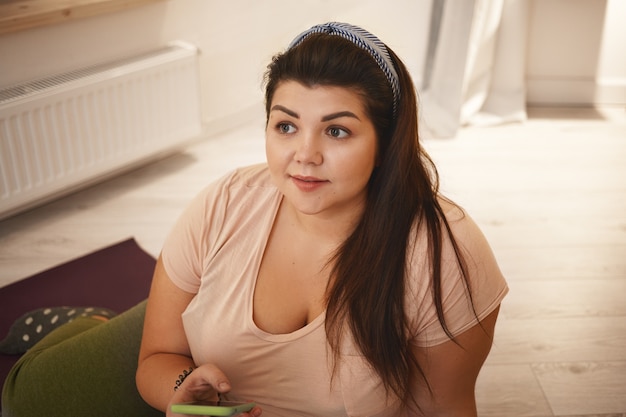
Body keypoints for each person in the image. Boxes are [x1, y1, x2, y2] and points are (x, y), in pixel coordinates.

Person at [2, 22, 507, 417]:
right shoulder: (222, 204)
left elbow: (444, 407)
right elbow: (157, 361)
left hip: (215, 326)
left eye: (337, 132)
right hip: (198, 329)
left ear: (386, 143)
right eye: (286, 125)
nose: (303, 155)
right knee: (28, 398)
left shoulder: (446, 255)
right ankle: (91, 325)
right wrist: (184, 391)